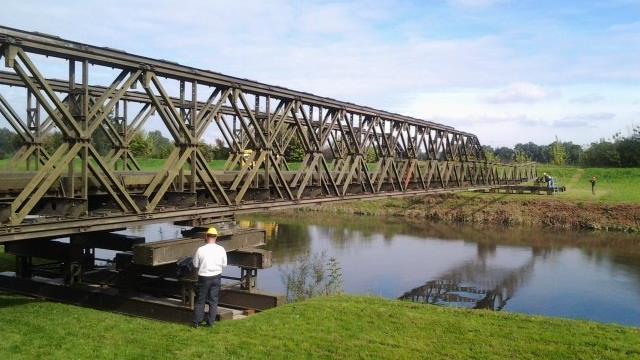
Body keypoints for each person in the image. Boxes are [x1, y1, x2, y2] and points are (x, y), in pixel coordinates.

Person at [192, 227, 227, 328]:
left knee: (200, 299)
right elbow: (224, 264)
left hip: (204, 277)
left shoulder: (200, 249)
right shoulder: (221, 249)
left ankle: (197, 322)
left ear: (206, 236)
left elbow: (195, 264)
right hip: (216, 277)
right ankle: (211, 322)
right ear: (216, 237)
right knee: (213, 300)